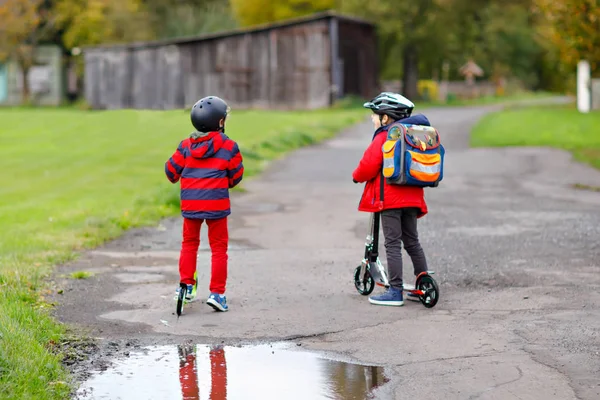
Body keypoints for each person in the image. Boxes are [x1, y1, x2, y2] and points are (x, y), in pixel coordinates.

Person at [165, 96, 243, 312]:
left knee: (189, 244)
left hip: (191, 206)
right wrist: (220, 182)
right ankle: (217, 294)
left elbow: (171, 173)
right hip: (217, 205)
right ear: (220, 122)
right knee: (219, 248)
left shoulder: (185, 147)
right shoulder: (228, 146)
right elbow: (236, 177)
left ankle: (186, 287)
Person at [352, 92, 430, 306]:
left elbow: (368, 165)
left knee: (392, 244)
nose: (372, 118)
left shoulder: (384, 135)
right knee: (412, 242)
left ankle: (395, 291)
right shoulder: (414, 134)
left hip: (391, 202)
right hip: (413, 199)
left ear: (385, 118)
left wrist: (356, 176)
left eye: (375, 114)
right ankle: (423, 282)